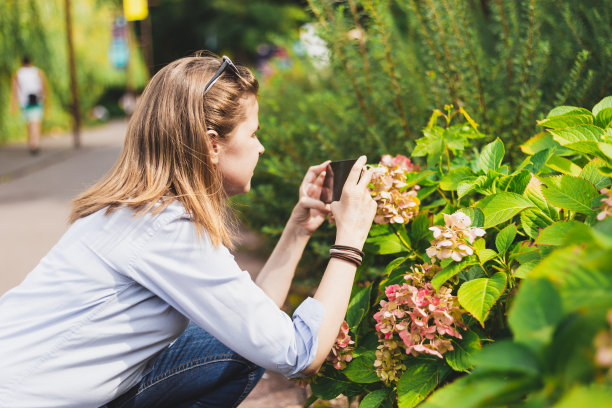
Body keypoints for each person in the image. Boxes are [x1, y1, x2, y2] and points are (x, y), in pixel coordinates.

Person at [0, 52, 377, 408]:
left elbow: (251, 321)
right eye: (253, 134)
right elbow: (299, 353)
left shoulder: (139, 211)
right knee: (246, 349)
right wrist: (350, 239)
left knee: (238, 343)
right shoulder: (166, 229)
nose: (260, 148)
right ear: (213, 144)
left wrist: (298, 230)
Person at [10, 56, 49, 155]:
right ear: (31, 62)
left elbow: (15, 90)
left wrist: (13, 105)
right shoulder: (37, 72)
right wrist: (45, 100)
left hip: (25, 102)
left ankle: (31, 143)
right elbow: (44, 87)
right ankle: (35, 143)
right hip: (37, 101)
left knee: (29, 124)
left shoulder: (17, 74)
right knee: (35, 123)